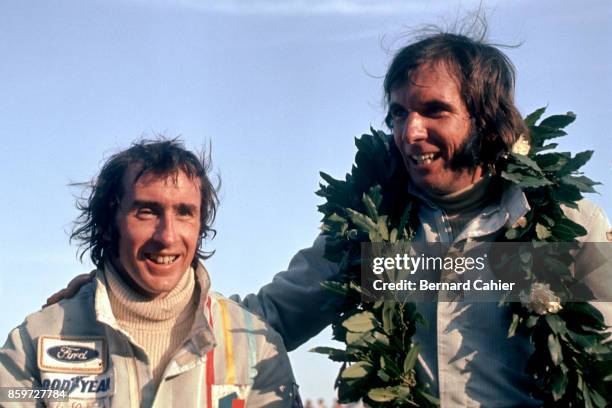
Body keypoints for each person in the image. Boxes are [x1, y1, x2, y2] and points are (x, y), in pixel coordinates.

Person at [43, 28, 611, 406]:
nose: (409, 132)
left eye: (434, 111)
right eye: (398, 113)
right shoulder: (365, 236)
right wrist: (131, 299)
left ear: (487, 119)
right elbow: (266, 320)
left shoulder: (566, 226)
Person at [0, 140, 299, 407]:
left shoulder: (256, 347)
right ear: (107, 224)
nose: (167, 237)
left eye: (184, 212)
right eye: (147, 212)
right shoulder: (35, 342)